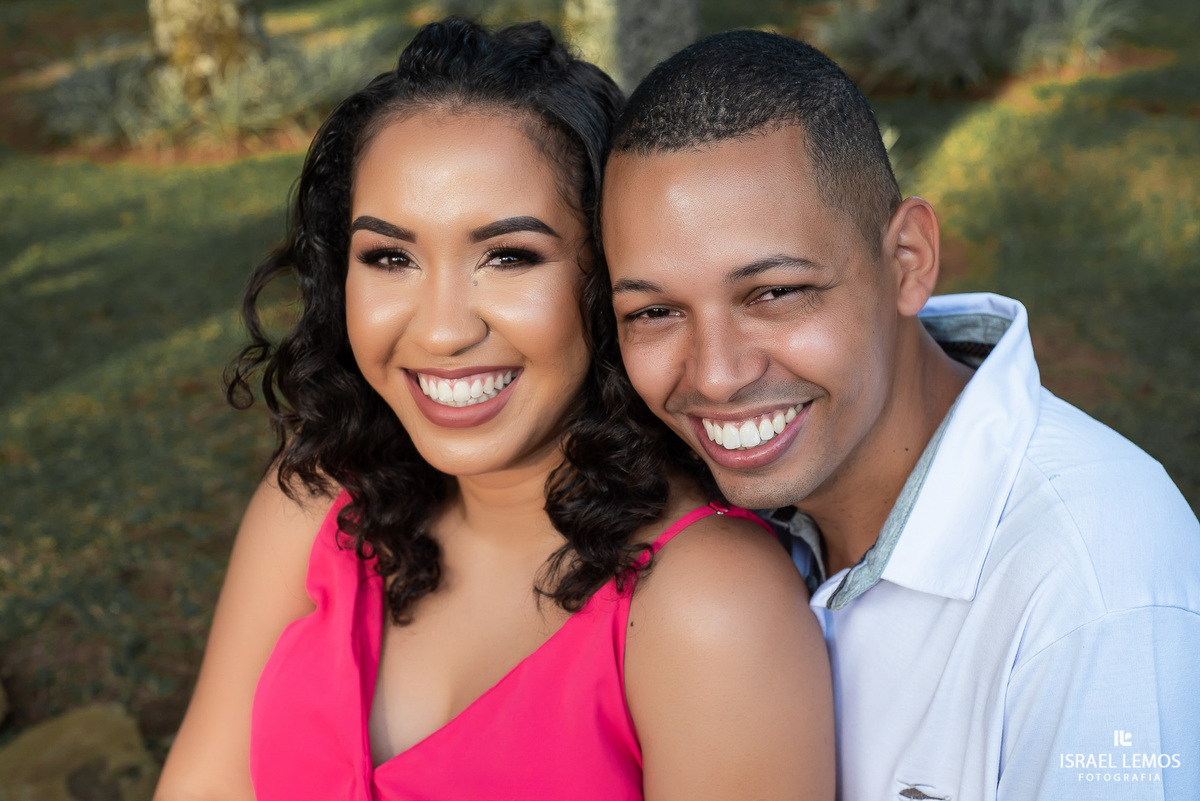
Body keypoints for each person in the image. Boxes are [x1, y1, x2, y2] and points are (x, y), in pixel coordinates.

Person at [153, 18, 834, 801]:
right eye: (390, 257)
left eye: (508, 256)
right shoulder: (311, 506)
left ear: (608, 276)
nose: (442, 328)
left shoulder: (708, 606)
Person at [598, 28, 1200, 801]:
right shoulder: (681, 515)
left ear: (907, 261)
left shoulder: (1099, 588)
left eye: (775, 293)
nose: (716, 375)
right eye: (654, 311)